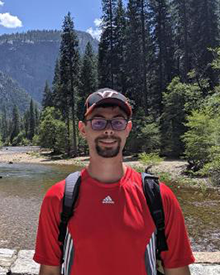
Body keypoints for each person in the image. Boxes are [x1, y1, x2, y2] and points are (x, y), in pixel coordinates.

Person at [34, 88, 195, 275]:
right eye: (98, 122)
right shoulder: (59, 198)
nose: (108, 130)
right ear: (83, 129)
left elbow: (178, 271)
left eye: (117, 122)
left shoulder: (159, 197)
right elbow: (49, 271)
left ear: (128, 129)